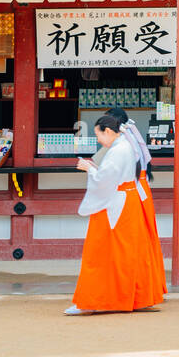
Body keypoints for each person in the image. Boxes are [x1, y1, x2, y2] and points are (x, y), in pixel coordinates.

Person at [65, 115, 164, 315]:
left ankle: (90, 300)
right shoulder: (127, 146)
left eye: (99, 135)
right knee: (130, 253)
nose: (99, 140)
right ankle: (138, 298)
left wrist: (89, 169)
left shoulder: (118, 150)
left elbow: (104, 179)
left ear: (108, 131)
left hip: (115, 203)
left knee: (98, 252)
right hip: (128, 201)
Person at [105, 107, 167, 296]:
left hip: (129, 193)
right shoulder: (129, 137)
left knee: (131, 244)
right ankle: (149, 287)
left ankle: (135, 289)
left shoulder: (122, 143)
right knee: (144, 240)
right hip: (140, 191)